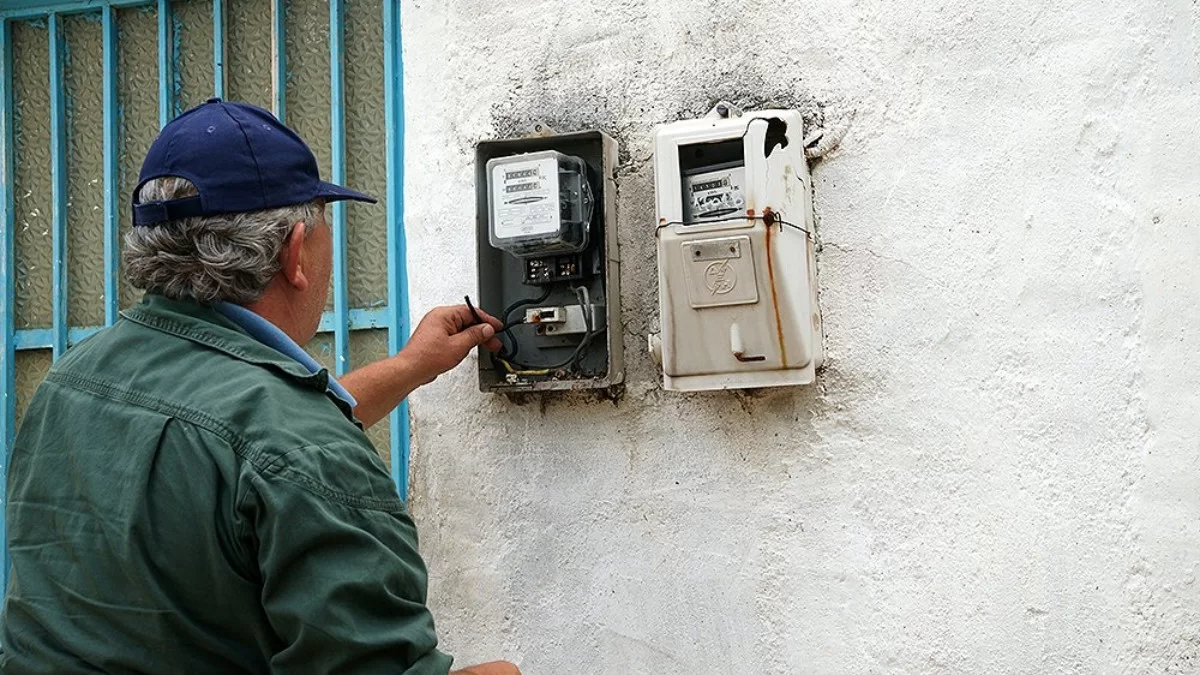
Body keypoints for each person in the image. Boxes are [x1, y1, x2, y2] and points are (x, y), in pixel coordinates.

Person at [0, 99, 519, 675]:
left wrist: (409, 367)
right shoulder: (301, 447)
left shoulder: (72, 379)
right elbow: (277, 449)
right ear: (295, 253)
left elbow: (245, 440)